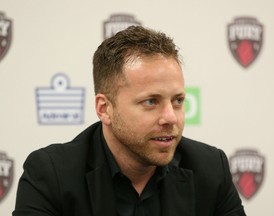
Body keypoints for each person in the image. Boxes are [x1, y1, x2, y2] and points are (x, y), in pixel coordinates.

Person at [13, 26, 246, 216]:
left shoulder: (211, 169)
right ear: (104, 109)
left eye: (177, 101)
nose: (170, 117)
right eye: (151, 102)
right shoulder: (50, 175)